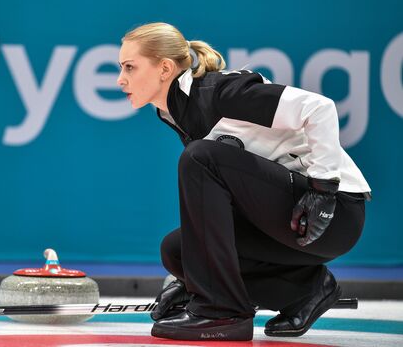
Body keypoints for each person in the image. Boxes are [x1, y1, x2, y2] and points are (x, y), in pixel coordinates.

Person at [116, 22, 371, 341]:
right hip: (288, 220)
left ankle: (220, 312)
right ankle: (306, 290)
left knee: (201, 157)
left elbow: (320, 109)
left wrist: (322, 190)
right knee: (177, 252)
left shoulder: (219, 92)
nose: (120, 79)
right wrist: (195, 280)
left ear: (164, 68)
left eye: (129, 67)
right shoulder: (177, 111)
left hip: (333, 214)